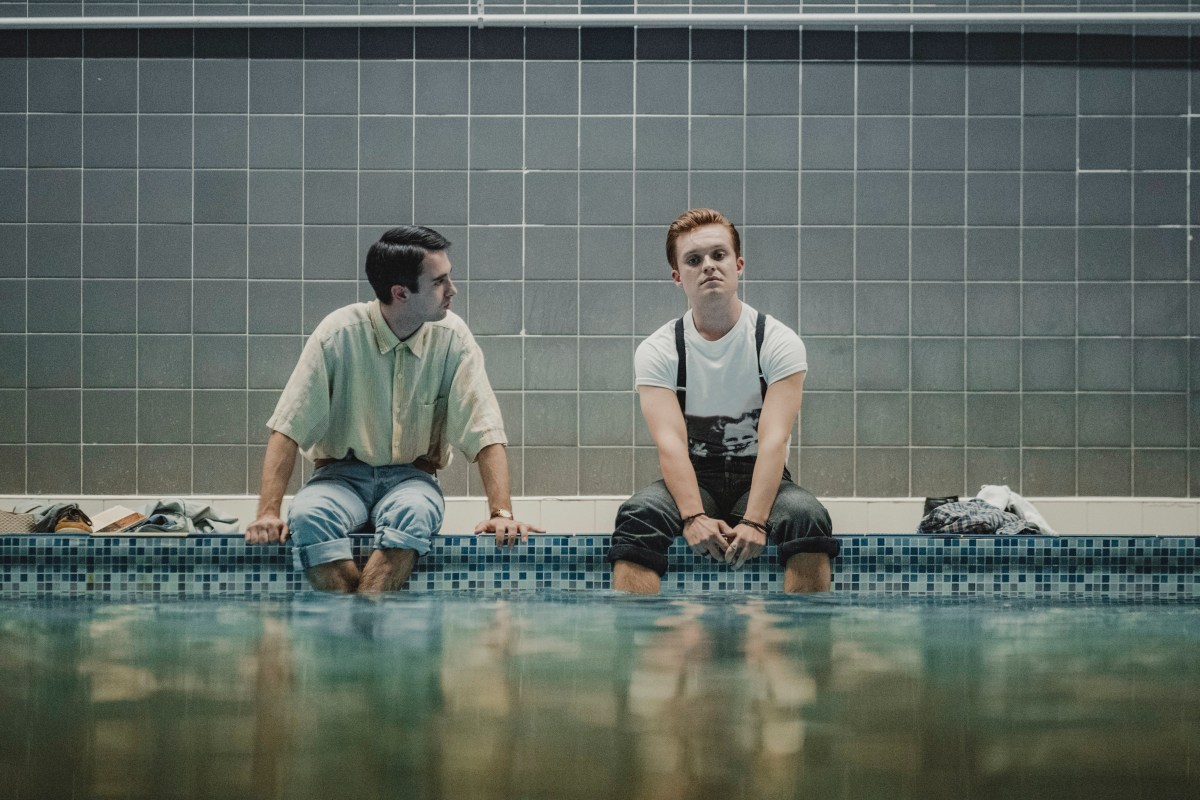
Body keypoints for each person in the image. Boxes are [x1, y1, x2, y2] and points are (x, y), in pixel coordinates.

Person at [245, 225, 540, 593]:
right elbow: (288, 427)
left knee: (414, 514)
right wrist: (268, 513)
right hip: (339, 477)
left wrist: (501, 514)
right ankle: (366, 631)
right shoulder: (338, 334)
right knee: (307, 516)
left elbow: (485, 429)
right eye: (439, 282)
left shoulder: (453, 338)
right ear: (400, 292)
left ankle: (361, 635)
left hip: (410, 478)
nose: (453, 290)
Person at [609, 209, 838, 594]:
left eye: (719, 255)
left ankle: (801, 647)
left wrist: (756, 521)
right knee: (639, 515)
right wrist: (693, 515)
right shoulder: (660, 350)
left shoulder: (776, 341)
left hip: (761, 476)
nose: (709, 267)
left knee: (807, 516)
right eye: (694, 260)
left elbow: (774, 441)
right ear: (678, 277)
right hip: (694, 479)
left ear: (739, 264)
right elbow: (670, 444)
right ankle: (647, 649)